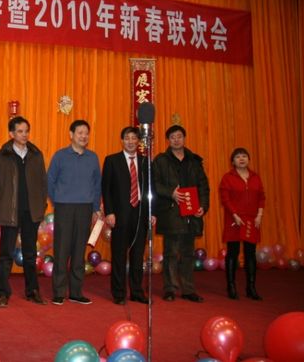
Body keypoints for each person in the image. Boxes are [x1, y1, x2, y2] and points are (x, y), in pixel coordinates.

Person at [0, 116, 48, 308]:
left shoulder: (36, 155)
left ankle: (33, 291)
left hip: (31, 212)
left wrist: (41, 207)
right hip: (8, 211)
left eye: (26, 131)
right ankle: (2, 293)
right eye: (20, 131)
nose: (24, 135)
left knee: (30, 254)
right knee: (6, 254)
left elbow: (43, 184)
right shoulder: (0, 156)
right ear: (11, 133)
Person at [153, 125, 210, 303]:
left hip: (191, 214)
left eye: (179, 136)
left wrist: (203, 206)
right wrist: (171, 192)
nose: (176, 140)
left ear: (184, 138)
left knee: (188, 253)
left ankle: (188, 289)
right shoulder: (161, 160)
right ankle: (170, 288)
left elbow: (203, 187)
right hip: (171, 212)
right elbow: (154, 184)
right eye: (173, 137)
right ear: (168, 140)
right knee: (170, 252)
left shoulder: (194, 161)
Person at [48, 119, 102, 305]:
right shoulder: (60, 156)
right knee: (62, 250)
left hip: (85, 208)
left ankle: (76, 292)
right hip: (64, 207)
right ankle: (59, 291)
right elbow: (50, 181)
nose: (83, 136)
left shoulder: (93, 158)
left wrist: (95, 208)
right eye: (80, 133)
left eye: (86, 133)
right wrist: (57, 200)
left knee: (79, 252)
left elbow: (97, 185)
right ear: (71, 135)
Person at [101, 126, 153, 305]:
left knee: (138, 256)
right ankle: (119, 293)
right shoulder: (112, 160)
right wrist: (109, 212)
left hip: (140, 215)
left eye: (134, 138)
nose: (131, 141)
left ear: (138, 141)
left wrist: (152, 212)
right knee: (119, 256)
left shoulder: (146, 162)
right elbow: (106, 189)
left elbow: (151, 189)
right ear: (122, 141)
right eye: (127, 138)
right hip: (119, 215)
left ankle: (137, 292)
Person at [219, 147, 265, 300]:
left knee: (250, 253)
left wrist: (259, 215)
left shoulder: (255, 177)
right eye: (238, 157)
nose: (241, 159)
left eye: (244, 156)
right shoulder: (228, 178)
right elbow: (225, 199)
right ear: (233, 161)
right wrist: (235, 215)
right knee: (233, 252)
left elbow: (261, 197)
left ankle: (251, 287)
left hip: (252, 219)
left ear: (248, 159)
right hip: (234, 219)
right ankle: (231, 286)